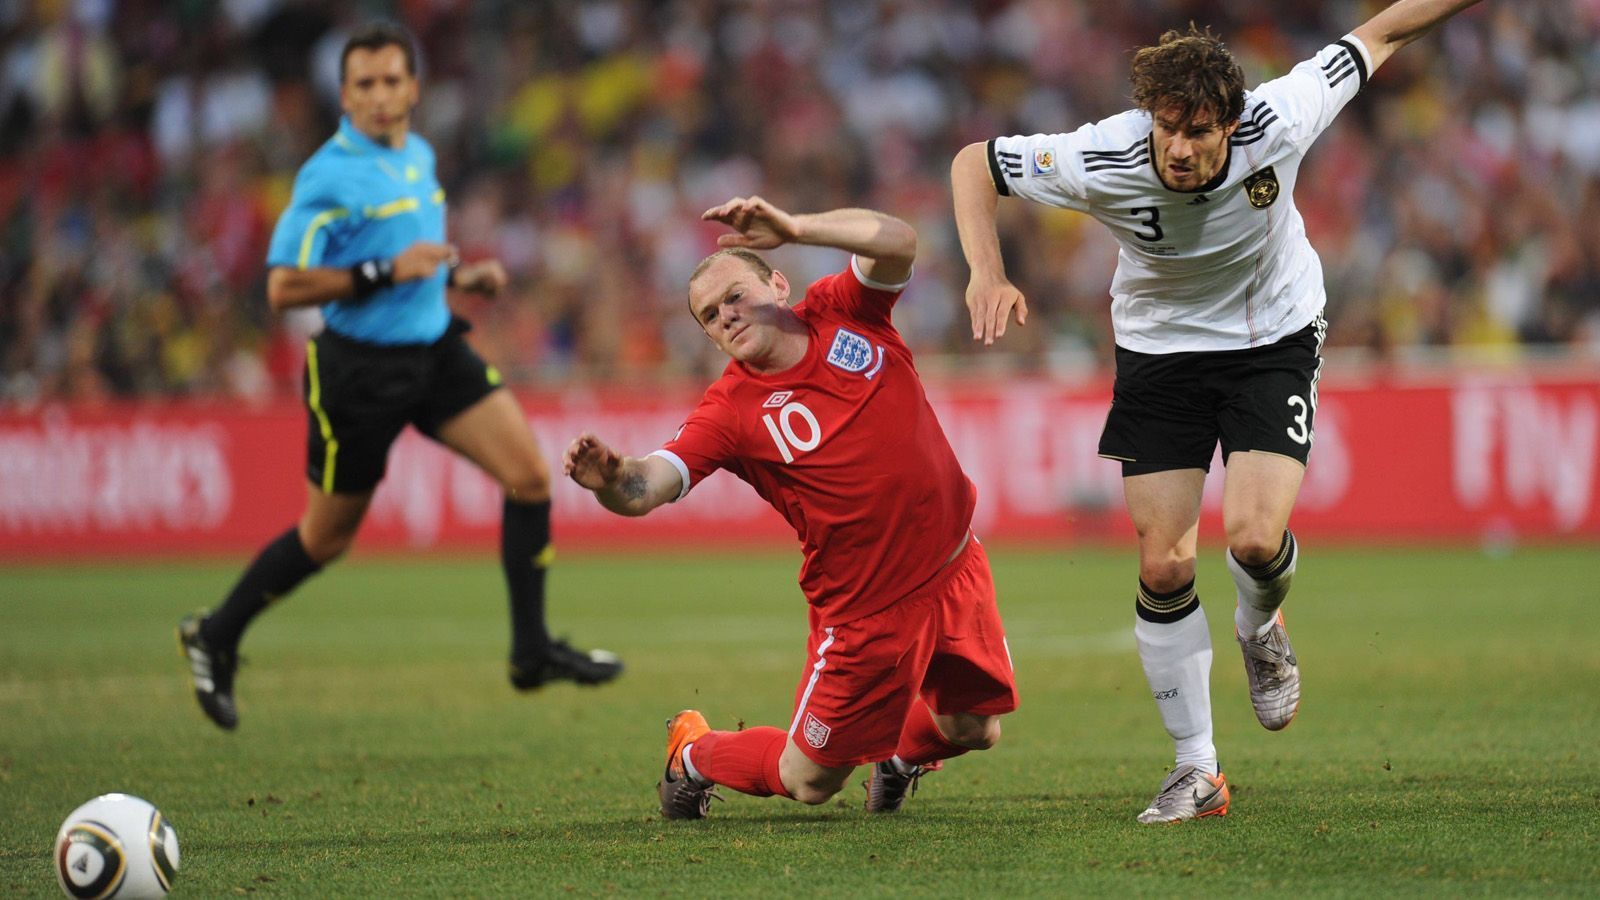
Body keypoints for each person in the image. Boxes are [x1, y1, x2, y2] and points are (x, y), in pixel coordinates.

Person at [950, 0, 1485, 823]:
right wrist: (986, 271)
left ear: (1235, 125)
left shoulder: (1284, 114)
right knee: (1163, 564)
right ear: (1151, 119)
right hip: (1161, 350)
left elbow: (1383, 31)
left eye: (1202, 132)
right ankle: (1196, 769)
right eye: (1170, 128)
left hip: (1272, 334)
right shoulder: (1100, 155)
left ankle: (1259, 627)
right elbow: (974, 163)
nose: (1183, 148)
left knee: (1253, 539)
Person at [177, 22, 621, 731]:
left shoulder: (417, 153)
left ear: (414, 88)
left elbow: (412, 251)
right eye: (365, 85)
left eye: (392, 81)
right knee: (325, 539)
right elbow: (284, 289)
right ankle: (217, 633)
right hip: (358, 373)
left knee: (532, 478)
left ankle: (531, 650)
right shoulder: (327, 175)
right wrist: (384, 272)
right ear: (345, 97)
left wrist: (458, 272)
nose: (381, 96)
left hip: (435, 347)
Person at [563, 198, 1019, 818]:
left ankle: (896, 759)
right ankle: (693, 754)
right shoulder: (729, 412)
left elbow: (899, 241)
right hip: (867, 611)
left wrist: (799, 228)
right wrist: (611, 479)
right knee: (809, 781)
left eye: (734, 296)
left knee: (973, 728)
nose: (725, 315)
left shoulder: (844, 310)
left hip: (954, 566)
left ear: (778, 282)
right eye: (709, 316)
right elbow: (649, 485)